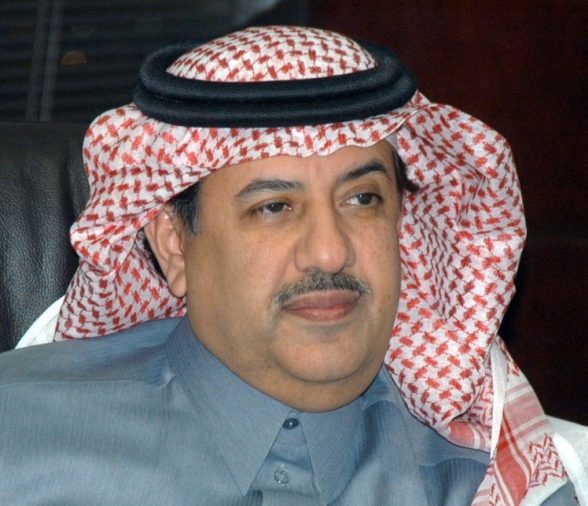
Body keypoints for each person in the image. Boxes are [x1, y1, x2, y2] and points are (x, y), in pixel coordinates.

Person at [0, 26, 579, 505]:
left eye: (363, 199)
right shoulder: (18, 436)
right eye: (274, 207)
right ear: (175, 247)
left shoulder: (483, 477)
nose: (329, 252)